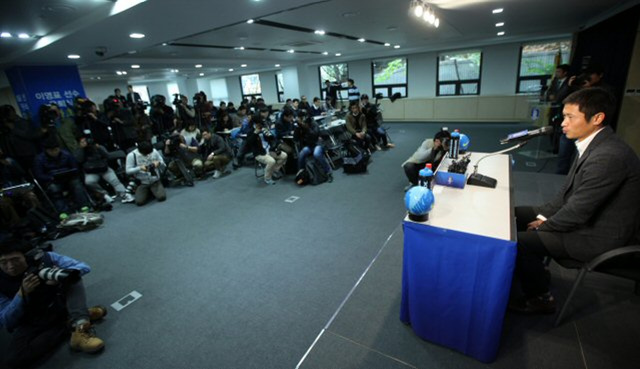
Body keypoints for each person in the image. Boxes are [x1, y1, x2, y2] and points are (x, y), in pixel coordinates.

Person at [510, 87, 640, 314]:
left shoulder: (608, 156)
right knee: (512, 214)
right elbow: (566, 195)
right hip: (587, 219)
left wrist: (545, 225)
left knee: (520, 242)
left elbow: (579, 211)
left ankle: (541, 297)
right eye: (564, 116)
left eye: (570, 117)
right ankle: (534, 270)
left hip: (598, 235)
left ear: (597, 118)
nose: (563, 123)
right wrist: (542, 216)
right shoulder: (593, 144)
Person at [0, 240, 107, 368]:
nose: (10, 266)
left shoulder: (45, 258)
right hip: (32, 320)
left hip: (56, 304)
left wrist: (60, 276)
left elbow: (83, 267)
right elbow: (6, 321)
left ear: (26, 256)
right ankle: (70, 323)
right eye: (3, 262)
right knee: (12, 361)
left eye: (15, 259)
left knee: (73, 277)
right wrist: (21, 295)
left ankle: (80, 325)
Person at [32, 139, 91, 214]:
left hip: (68, 178)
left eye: (56, 150)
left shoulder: (66, 154)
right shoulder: (39, 159)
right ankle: (63, 211)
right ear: (46, 150)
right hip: (52, 180)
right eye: (51, 150)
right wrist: (51, 177)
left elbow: (75, 167)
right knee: (54, 188)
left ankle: (84, 206)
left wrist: (71, 173)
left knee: (76, 184)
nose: (54, 152)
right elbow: (39, 175)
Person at [75, 136, 134, 204]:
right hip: (91, 171)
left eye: (86, 141)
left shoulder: (97, 147)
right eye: (82, 142)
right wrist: (82, 149)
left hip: (104, 168)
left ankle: (124, 194)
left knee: (114, 180)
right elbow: (79, 160)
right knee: (89, 182)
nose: (85, 143)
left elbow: (108, 156)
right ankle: (104, 195)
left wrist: (99, 148)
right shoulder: (78, 150)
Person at [246, 118, 287, 185]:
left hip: (269, 150)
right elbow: (249, 143)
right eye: (258, 124)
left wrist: (268, 133)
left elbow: (272, 139)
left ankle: (274, 170)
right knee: (271, 161)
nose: (260, 126)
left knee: (284, 156)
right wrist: (255, 133)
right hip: (259, 153)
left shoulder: (263, 130)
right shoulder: (250, 132)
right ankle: (267, 178)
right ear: (255, 124)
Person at [125, 140, 167, 206]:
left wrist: (158, 163)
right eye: (146, 154)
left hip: (155, 180)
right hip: (142, 182)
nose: (148, 155)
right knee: (139, 202)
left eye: (149, 153)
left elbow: (163, 163)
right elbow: (128, 171)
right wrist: (139, 168)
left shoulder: (154, 151)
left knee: (161, 197)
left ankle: (153, 190)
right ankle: (148, 192)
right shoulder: (131, 155)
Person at [295, 116, 332, 182]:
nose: (302, 123)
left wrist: (307, 128)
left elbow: (315, 135)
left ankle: (328, 171)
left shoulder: (314, 124)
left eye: (303, 122)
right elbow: (296, 139)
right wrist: (298, 128)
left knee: (317, 154)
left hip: (318, 143)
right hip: (310, 145)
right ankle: (302, 173)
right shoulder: (301, 127)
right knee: (302, 153)